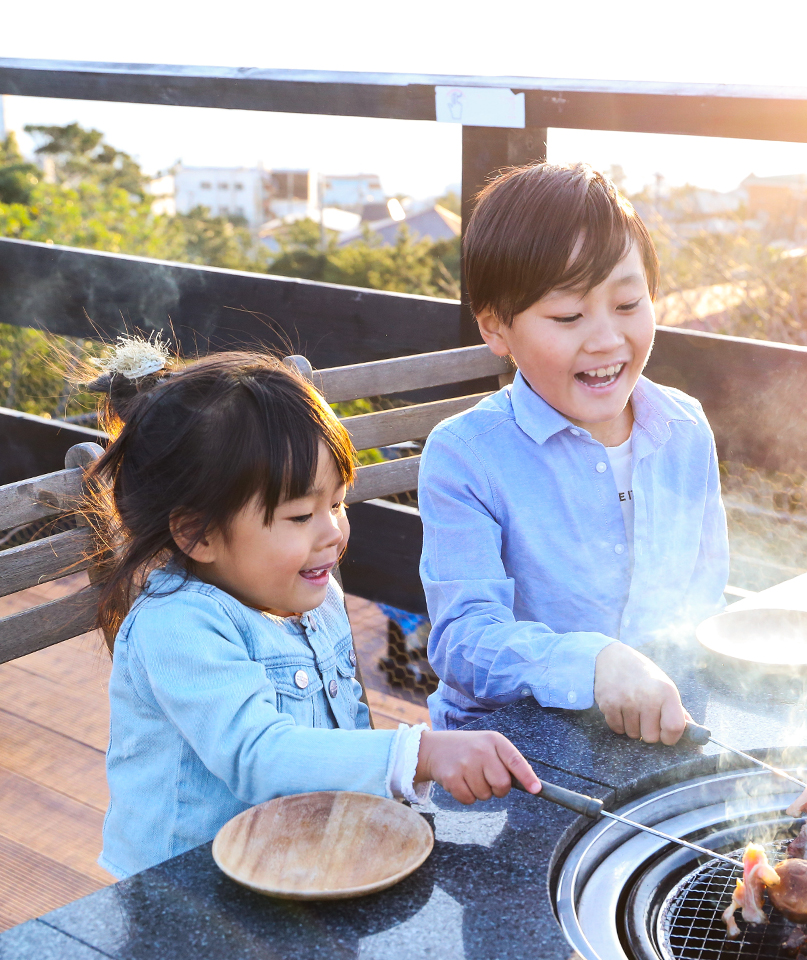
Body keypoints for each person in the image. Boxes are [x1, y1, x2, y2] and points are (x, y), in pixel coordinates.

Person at [84, 341, 540, 879]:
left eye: (339, 502)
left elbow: (339, 733)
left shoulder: (314, 598)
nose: (335, 532)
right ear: (196, 533)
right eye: (301, 515)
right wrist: (417, 754)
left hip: (299, 860)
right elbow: (260, 755)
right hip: (184, 892)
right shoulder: (176, 626)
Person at [418, 162, 730, 742]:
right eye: (568, 315)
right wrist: (594, 665)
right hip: (503, 753)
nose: (607, 338)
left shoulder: (685, 429)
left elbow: (705, 593)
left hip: (651, 735)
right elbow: (464, 642)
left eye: (630, 304)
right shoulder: (465, 456)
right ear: (495, 330)